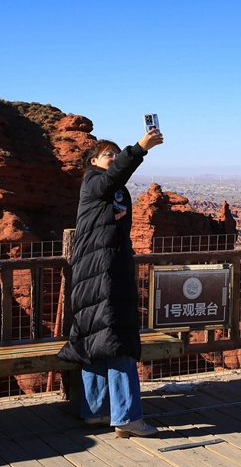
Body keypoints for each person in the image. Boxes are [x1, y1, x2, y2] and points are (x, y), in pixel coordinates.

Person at [58, 128, 164, 437]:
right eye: (109, 154)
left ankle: (97, 411)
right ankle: (127, 416)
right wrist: (139, 148)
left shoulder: (110, 189)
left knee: (96, 337)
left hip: (98, 270)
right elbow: (112, 178)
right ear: (93, 160)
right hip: (103, 272)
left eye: (117, 154)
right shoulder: (94, 182)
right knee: (118, 338)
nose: (114, 158)